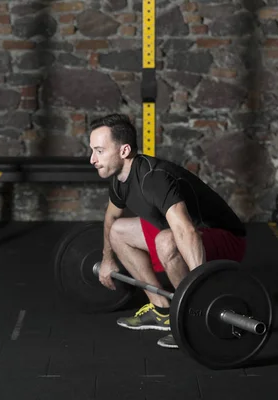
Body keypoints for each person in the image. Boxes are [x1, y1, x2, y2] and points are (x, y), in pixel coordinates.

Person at [89, 113, 247, 349]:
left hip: (225, 238)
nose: (92, 159)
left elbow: (186, 231)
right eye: (92, 150)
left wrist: (202, 290)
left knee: (166, 240)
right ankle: (162, 309)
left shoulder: (154, 179)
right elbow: (111, 217)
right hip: (182, 234)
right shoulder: (120, 179)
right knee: (118, 231)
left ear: (123, 151)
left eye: (99, 151)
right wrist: (107, 259)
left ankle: (193, 317)